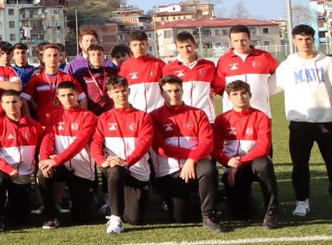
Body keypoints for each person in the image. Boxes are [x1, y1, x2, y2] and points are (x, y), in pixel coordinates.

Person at [274, 24, 332, 218]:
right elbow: (270, 87)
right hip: (300, 123)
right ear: (293, 40)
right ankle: (302, 201)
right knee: (300, 165)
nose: (304, 42)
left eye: (308, 38)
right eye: (300, 39)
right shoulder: (287, 66)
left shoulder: (327, 63)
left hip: (327, 121)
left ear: (313, 40)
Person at [151, 75, 222, 232]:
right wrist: (190, 156)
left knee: (209, 169)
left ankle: (209, 215)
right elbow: (160, 148)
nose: (173, 94)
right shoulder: (154, 116)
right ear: (162, 94)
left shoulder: (198, 114)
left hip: (197, 164)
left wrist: (192, 159)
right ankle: (198, 198)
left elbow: (207, 143)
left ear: (182, 91)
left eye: (177, 90)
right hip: (170, 171)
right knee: (180, 218)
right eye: (168, 91)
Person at [92, 76, 153, 234]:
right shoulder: (104, 118)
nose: (121, 95)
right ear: (110, 94)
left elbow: (145, 143)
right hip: (114, 166)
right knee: (116, 171)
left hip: (136, 168)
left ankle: (118, 203)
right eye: (116, 92)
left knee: (135, 219)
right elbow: (96, 143)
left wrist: (127, 161)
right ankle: (115, 218)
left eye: (124, 91)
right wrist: (101, 161)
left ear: (129, 91)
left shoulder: (143, 117)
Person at [214, 80, 278, 229]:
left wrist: (240, 161)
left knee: (264, 164)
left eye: (243, 93)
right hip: (232, 168)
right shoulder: (221, 119)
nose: (240, 97)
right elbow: (215, 149)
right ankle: (244, 201)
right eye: (235, 94)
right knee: (240, 214)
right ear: (228, 98)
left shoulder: (261, 117)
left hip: (253, 163)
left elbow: (263, 148)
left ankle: (272, 210)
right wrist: (228, 163)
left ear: (250, 95)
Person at [36, 81, 98, 229]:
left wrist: (56, 160)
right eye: (63, 95)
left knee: (82, 219)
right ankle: (51, 216)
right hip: (60, 166)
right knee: (42, 174)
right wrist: (44, 160)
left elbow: (79, 143)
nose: (68, 98)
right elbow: (48, 138)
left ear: (77, 95)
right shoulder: (54, 116)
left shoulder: (89, 116)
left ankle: (81, 202)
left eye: (71, 94)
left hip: (81, 170)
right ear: (57, 97)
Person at [0, 89, 41, 229]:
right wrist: (8, 169)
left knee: (20, 219)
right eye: (7, 102)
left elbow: (41, 151)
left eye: (14, 101)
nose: (11, 105)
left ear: (21, 103)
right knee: (0, 179)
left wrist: (40, 167)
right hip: (5, 172)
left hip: (24, 176)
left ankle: (13, 204)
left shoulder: (35, 126)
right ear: (2, 105)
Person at [213, 25, 279, 118]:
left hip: (261, 113)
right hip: (233, 116)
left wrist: (267, 90)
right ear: (231, 42)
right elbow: (218, 87)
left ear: (249, 39)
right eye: (236, 41)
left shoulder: (264, 56)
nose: (240, 44)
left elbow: (281, 74)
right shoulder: (224, 60)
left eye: (243, 40)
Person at [163, 31, 217, 122]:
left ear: (194, 45)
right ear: (177, 48)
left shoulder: (209, 66)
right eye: (181, 47)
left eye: (188, 46)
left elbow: (216, 86)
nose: (185, 50)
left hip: (206, 116)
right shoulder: (168, 68)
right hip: (181, 116)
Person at [22, 43, 76, 125]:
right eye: (49, 55)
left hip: (66, 122)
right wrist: (29, 121)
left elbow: (82, 98)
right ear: (43, 58)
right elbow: (24, 99)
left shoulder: (68, 78)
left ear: (60, 57)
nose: (52, 58)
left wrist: (77, 118)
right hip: (44, 123)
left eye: (55, 55)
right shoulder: (36, 79)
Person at [120, 31, 165, 113]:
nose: (139, 47)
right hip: (135, 114)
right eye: (135, 45)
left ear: (147, 45)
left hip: (158, 112)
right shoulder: (125, 67)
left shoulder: (159, 64)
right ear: (130, 47)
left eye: (142, 44)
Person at [72, 43, 119, 115]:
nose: (97, 57)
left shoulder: (112, 71)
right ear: (88, 58)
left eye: (99, 54)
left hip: (110, 113)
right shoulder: (81, 74)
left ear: (104, 57)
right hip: (91, 113)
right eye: (93, 55)